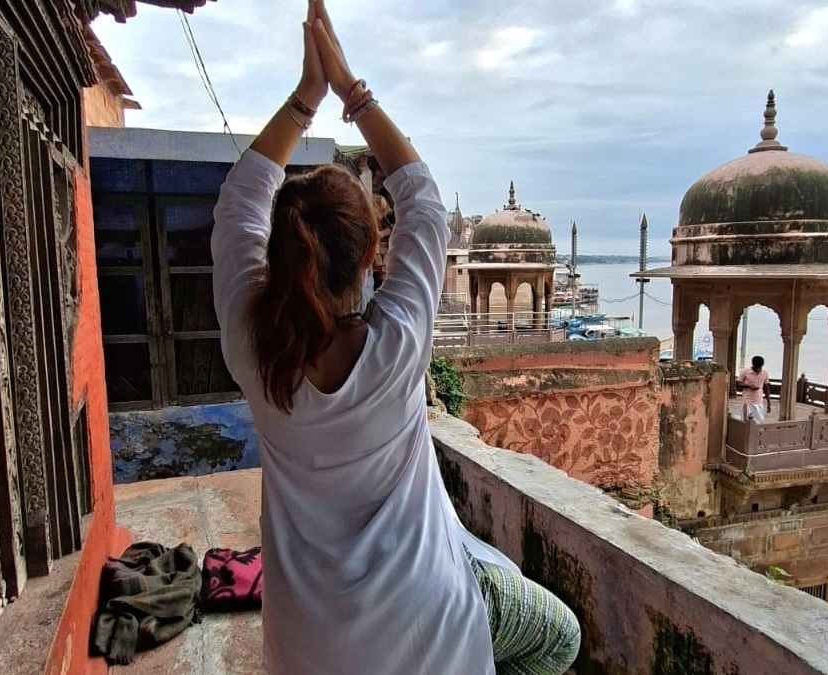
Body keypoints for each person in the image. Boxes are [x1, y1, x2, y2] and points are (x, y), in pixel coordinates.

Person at [210, 2, 581, 673]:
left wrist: (305, 100)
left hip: (306, 641)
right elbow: (423, 196)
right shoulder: (397, 344)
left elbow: (240, 199)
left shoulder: (253, 348)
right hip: (426, 617)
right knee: (559, 639)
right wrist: (350, 90)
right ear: (369, 257)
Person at [737, 355, 771, 423]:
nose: (758, 369)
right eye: (756, 368)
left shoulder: (765, 373)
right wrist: (748, 386)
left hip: (759, 401)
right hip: (747, 401)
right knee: (746, 421)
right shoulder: (745, 371)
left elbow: (766, 388)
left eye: (759, 368)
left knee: (759, 422)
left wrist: (769, 403)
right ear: (753, 365)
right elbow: (737, 383)